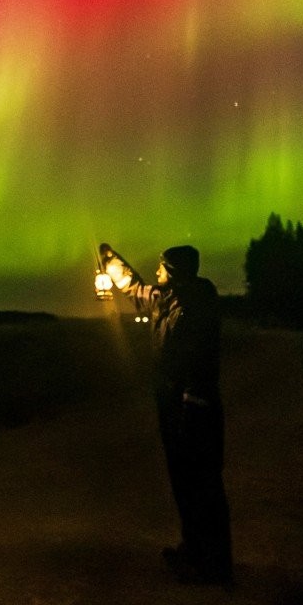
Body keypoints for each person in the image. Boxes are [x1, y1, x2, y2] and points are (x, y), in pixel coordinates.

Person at [98, 242, 233, 586]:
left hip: (195, 410)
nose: (156, 272)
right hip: (174, 405)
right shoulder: (167, 297)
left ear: (173, 272)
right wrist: (112, 262)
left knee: (202, 484)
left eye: (161, 267)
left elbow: (198, 362)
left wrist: (190, 403)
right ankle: (194, 551)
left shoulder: (195, 307)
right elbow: (134, 287)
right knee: (183, 483)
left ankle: (213, 566)